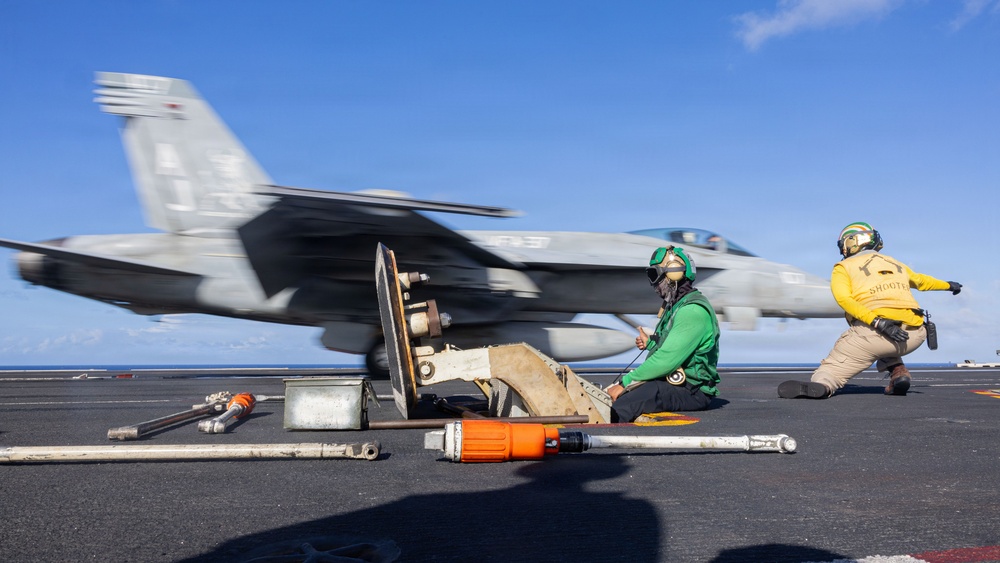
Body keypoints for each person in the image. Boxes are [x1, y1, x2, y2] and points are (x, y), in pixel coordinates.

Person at [778, 222, 962, 399]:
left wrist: (877, 322)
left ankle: (824, 384)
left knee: (830, 370)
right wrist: (949, 285)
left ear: (853, 242)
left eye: (844, 244)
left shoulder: (843, 267)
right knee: (886, 345)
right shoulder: (894, 263)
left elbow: (843, 299)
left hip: (875, 334)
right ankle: (899, 374)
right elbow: (922, 282)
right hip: (915, 335)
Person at [606, 245, 721, 422]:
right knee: (623, 395)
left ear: (673, 274)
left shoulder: (692, 312)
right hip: (678, 383)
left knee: (626, 404)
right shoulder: (676, 307)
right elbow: (672, 347)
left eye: (654, 275)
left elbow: (666, 360)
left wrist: (625, 383)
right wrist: (651, 343)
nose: (653, 284)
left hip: (693, 390)